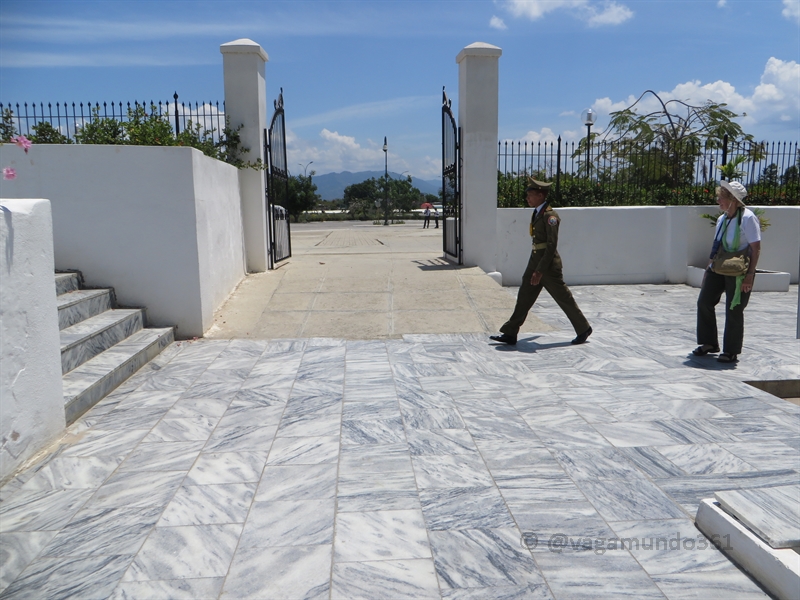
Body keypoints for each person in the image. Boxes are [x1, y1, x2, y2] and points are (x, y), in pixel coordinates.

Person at [490, 178, 592, 346]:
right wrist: (534, 267)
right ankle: (510, 332)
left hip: (548, 266)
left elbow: (551, 246)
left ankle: (583, 328)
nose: (527, 198)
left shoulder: (550, 216)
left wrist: (540, 270)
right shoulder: (538, 212)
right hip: (535, 262)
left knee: (563, 298)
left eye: (530, 195)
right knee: (524, 297)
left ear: (540, 195)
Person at [693, 180, 761, 363]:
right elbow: (716, 247)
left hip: (739, 271)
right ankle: (709, 343)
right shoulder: (723, 219)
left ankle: (731, 350)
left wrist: (750, 275)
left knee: (734, 309)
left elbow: (755, 248)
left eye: (721, 198)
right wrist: (708, 270)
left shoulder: (748, 218)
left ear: (733, 200)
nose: (718, 201)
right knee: (704, 302)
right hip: (720, 266)